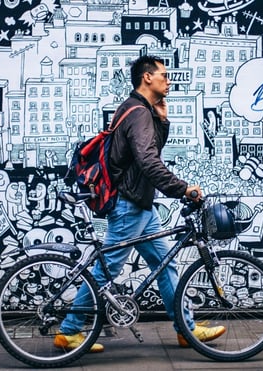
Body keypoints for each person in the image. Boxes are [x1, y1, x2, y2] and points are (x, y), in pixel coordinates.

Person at [54, 56, 226, 353]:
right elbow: (149, 161)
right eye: (163, 75)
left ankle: (185, 328)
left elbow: (149, 151)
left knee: (164, 262)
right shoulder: (137, 113)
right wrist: (183, 189)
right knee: (106, 270)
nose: (168, 80)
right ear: (147, 77)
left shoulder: (139, 110)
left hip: (140, 205)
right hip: (130, 204)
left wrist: (162, 118)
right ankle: (69, 331)